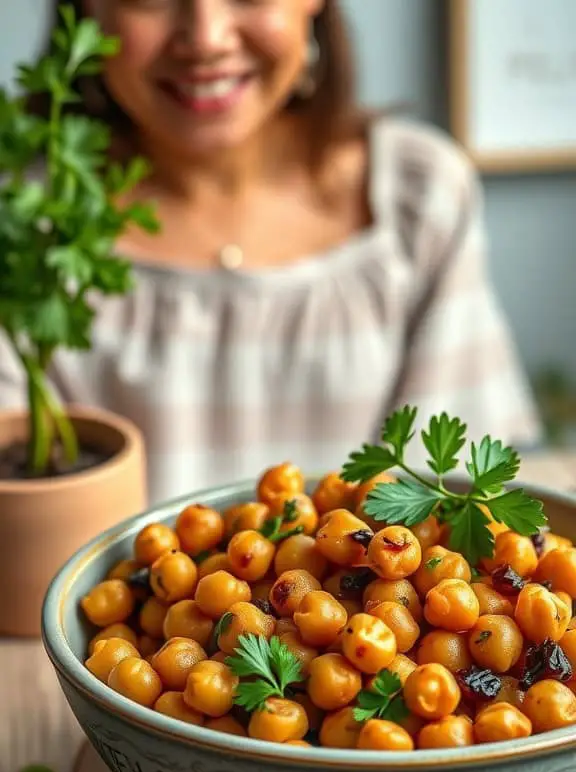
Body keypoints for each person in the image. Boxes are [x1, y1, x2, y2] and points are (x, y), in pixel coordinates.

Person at [0, 0, 541, 505]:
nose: (206, 38)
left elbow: (450, 498)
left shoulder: (418, 195)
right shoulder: (19, 222)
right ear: (86, 8)